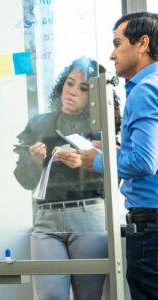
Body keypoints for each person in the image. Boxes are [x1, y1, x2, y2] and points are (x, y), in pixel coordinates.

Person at [13, 57, 121, 300]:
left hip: (89, 218)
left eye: (83, 89)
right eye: (69, 83)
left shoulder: (100, 126)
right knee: (49, 296)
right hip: (46, 219)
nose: (72, 91)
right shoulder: (40, 123)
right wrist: (34, 162)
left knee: (89, 296)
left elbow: (117, 181)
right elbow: (25, 181)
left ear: (92, 95)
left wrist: (88, 163)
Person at [81, 12, 158, 300]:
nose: (112, 55)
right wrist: (117, 152)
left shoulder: (144, 91)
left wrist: (97, 161)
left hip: (151, 226)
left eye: (118, 43)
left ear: (143, 44)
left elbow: (144, 162)